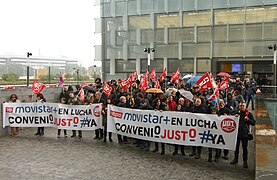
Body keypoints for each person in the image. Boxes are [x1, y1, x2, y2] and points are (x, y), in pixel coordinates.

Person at [230, 102, 255, 168]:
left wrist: (248, 120)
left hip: (245, 134)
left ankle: (245, 161)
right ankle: (235, 159)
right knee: (236, 148)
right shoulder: (237, 113)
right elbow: (229, 115)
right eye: (240, 106)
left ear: (245, 107)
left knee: (244, 148)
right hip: (237, 134)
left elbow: (253, 123)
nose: (241, 107)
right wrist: (233, 116)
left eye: (243, 106)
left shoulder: (249, 114)